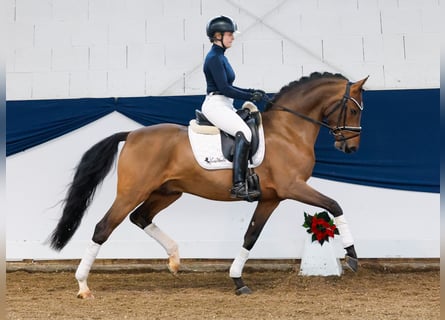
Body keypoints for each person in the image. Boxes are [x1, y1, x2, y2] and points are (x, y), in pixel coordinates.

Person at [201, 15, 265, 200]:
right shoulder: (214, 58)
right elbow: (224, 88)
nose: (232, 38)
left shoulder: (221, 56)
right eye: (229, 34)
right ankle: (238, 185)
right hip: (215, 105)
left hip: (225, 104)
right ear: (218, 35)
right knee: (244, 133)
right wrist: (249, 95)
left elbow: (229, 89)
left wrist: (252, 91)